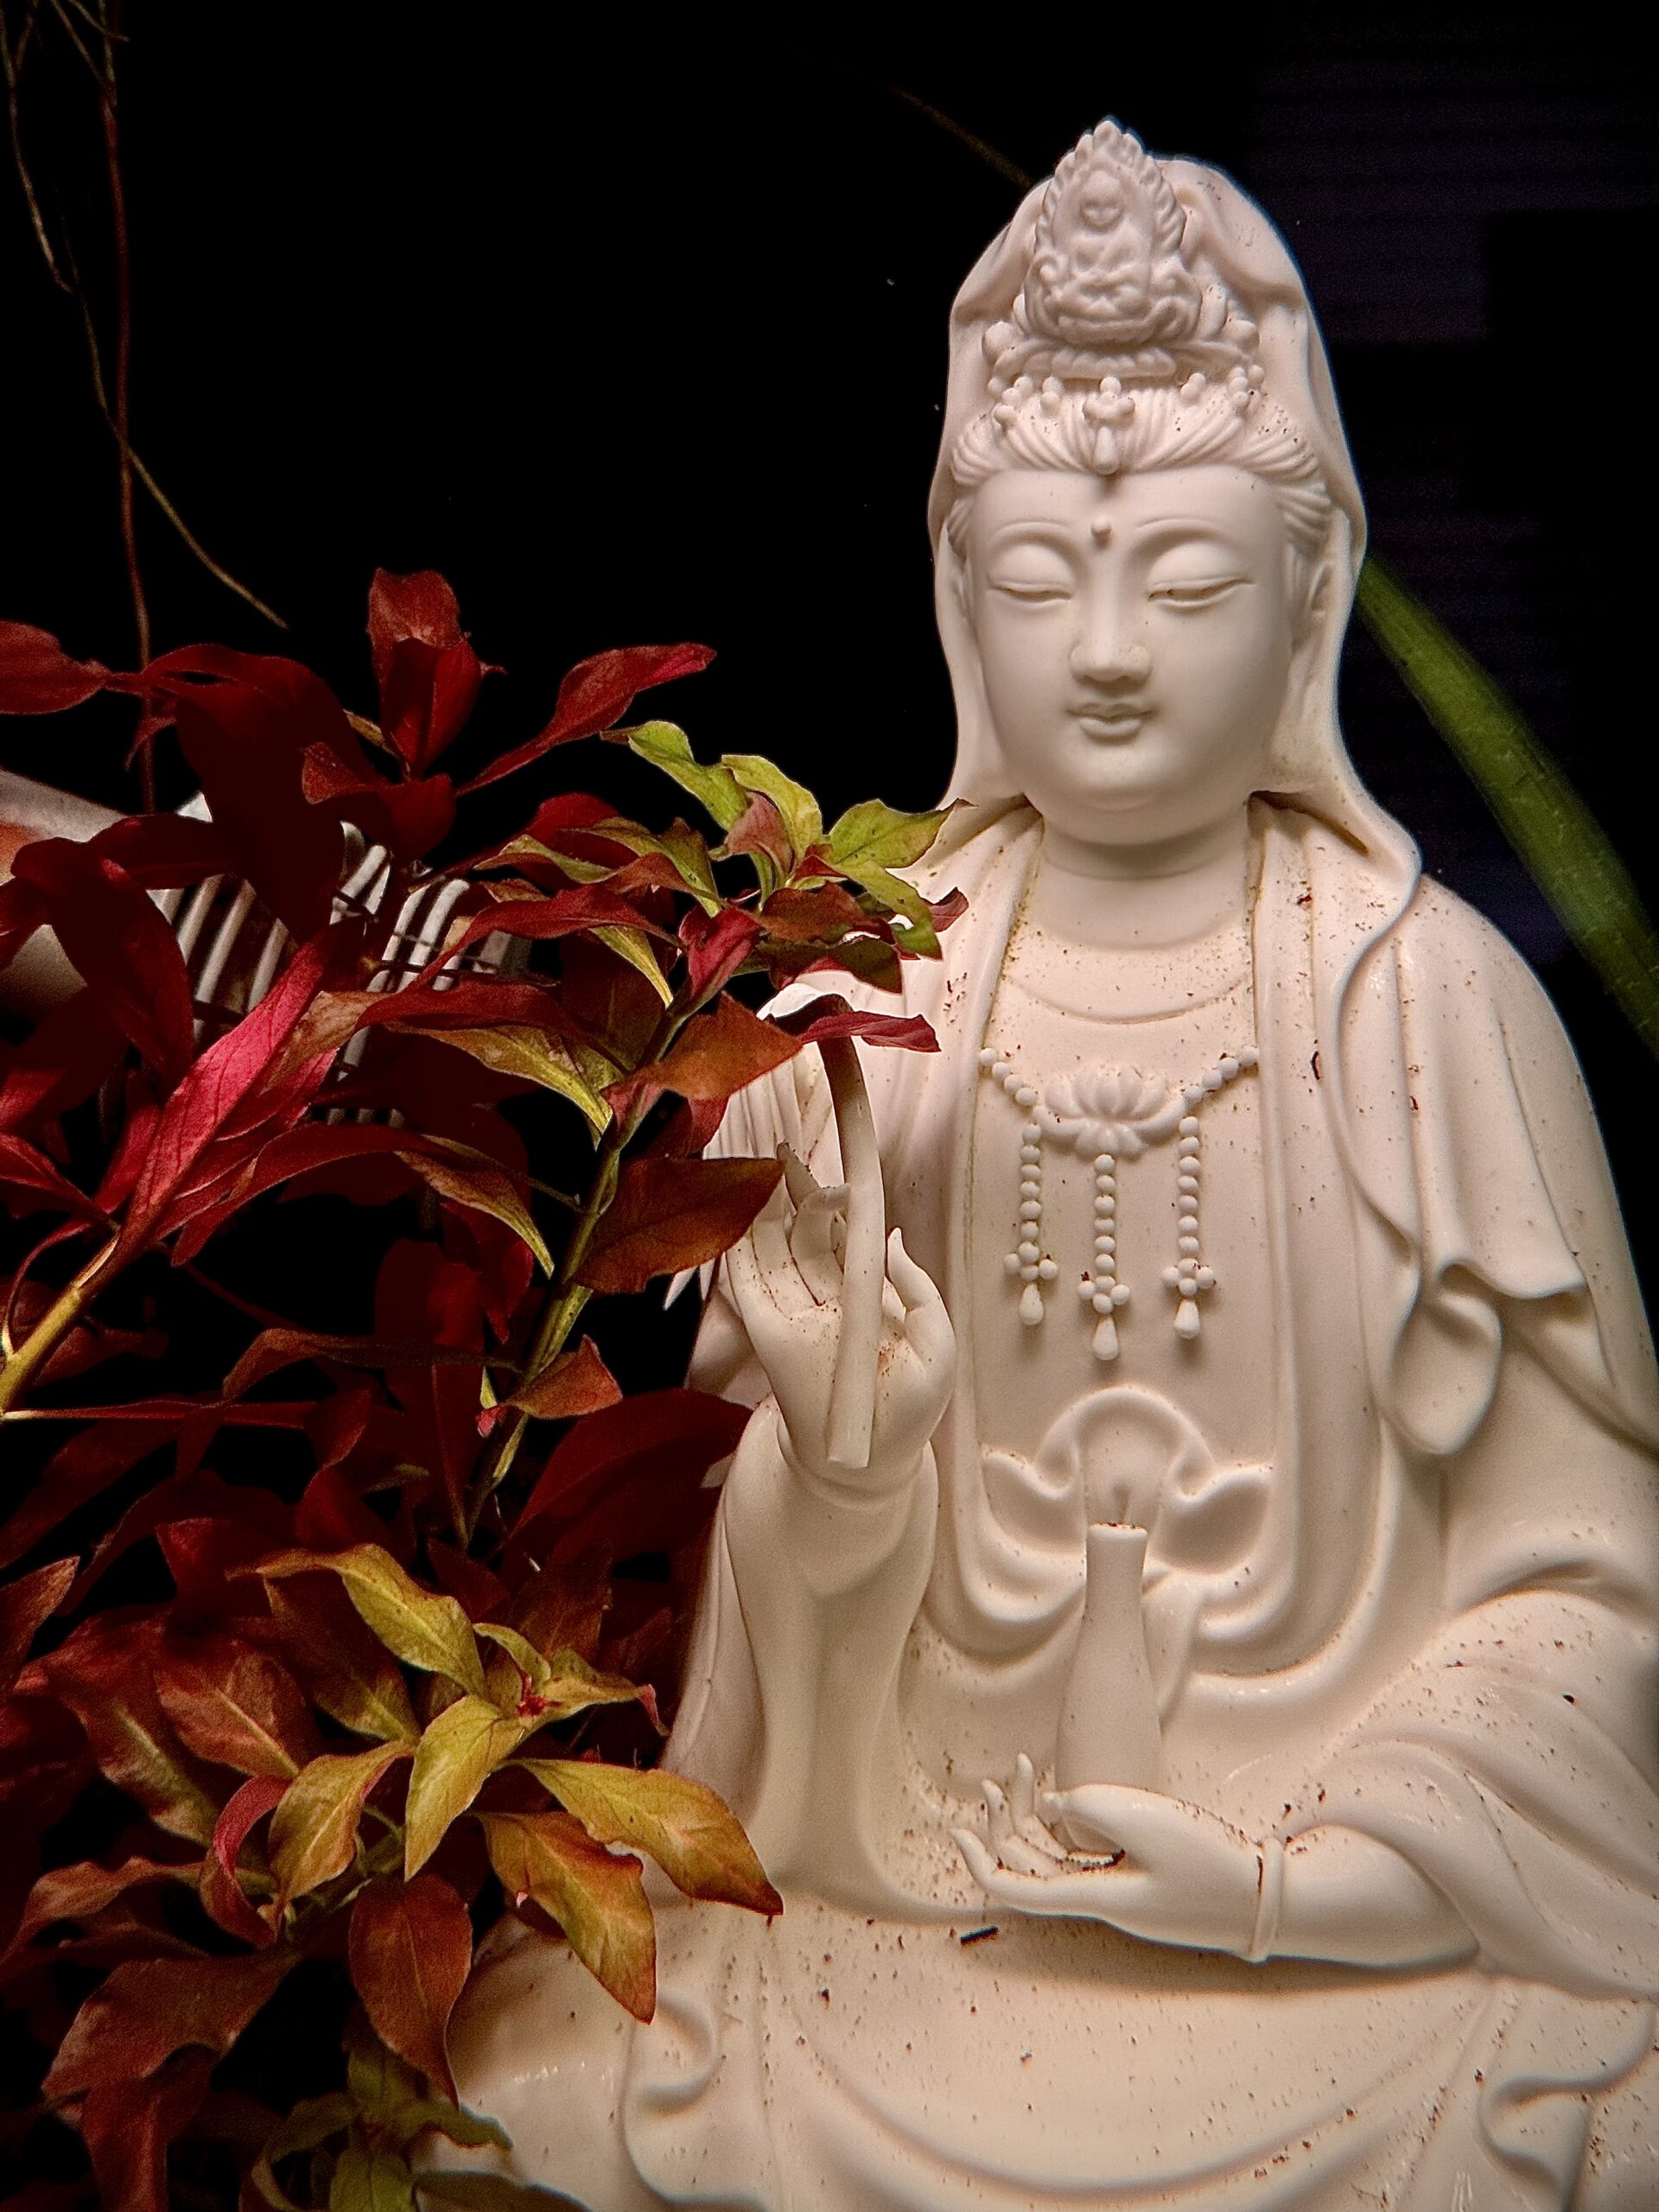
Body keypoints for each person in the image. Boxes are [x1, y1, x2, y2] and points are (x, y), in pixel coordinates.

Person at [451, 120, 1659, 2209]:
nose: (1106, 644)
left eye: (1184, 578)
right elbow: (730, 1718)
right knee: (533, 2070)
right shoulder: (854, 1025)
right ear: (955, 601)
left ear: (1304, 607)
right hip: (910, 1918)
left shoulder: (1439, 1010)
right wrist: (841, 1478)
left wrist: (1307, 1880)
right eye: (1039, 573)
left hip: (1344, 1962)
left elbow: (1585, 1588)